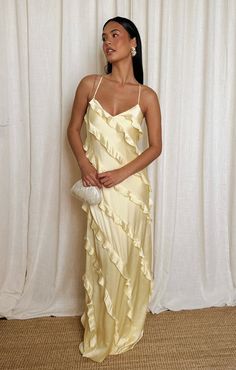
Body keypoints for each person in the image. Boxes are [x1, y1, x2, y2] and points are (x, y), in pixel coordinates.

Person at [67, 16, 162, 363]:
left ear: (133, 43)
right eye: (104, 37)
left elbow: (155, 147)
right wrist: (84, 164)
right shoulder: (89, 84)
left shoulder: (146, 96)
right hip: (98, 187)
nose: (107, 41)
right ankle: (104, 329)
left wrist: (121, 172)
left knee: (127, 258)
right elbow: (73, 129)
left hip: (131, 190)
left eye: (115, 34)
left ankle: (125, 324)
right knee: (104, 256)